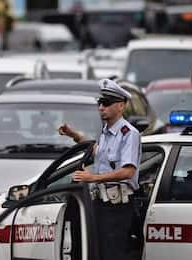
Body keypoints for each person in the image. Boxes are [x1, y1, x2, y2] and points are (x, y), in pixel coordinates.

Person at [58, 78, 141, 260]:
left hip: (118, 207)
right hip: (102, 205)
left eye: (107, 103)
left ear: (120, 106)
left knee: (112, 254)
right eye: (100, 102)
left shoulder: (129, 134)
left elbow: (128, 171)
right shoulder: (106, 131)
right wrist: (74, 135)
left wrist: (92, 178)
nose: (101, 107)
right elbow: (98, 152)